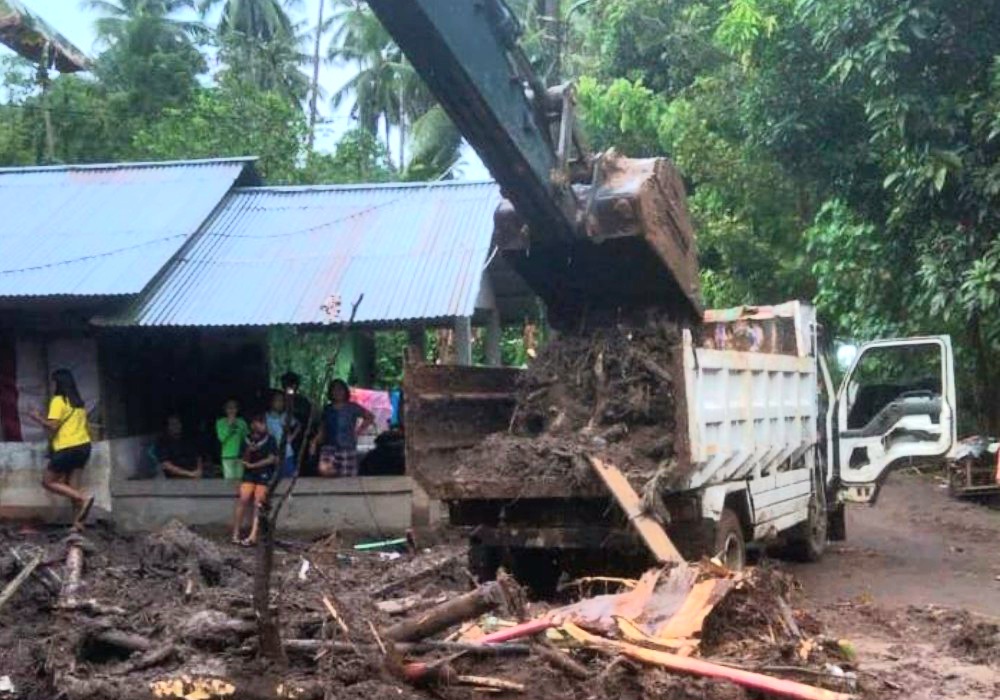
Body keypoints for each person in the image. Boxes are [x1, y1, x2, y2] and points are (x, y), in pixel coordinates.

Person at [27, 368, 94, 529]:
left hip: (67, 447)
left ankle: (84, 498)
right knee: (72, 487)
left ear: (58, 383)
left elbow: (53, 426)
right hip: (84, 446)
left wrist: (36, 417)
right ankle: (78, 525)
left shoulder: (58, 401)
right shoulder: (79, 403)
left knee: (48, 481)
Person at [310, 379, 374, 478]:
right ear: (331, 392)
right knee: (325, 472)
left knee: (347, 479)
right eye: (334, 390)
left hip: (347, 447)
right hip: (329, 447)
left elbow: (370, 416)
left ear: (345, 391)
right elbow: (322, 429)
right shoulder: (327, 409)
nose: (337, 392)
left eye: (340, 389)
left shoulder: (352, 407)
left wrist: (358, 431)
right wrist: (314, 442)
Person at [231, 414, 278, 546]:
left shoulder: (271, 439)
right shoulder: (246, 439)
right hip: (249, 474)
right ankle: (235, 533)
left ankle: (253, 536)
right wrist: (249, 451)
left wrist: (255, 465)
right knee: (243, 498)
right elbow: (242, 459)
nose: (259, 426)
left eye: (261, 423)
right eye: (256, 423)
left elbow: (272, 459)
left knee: (259, 501)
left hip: (264, 472)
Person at [265, 390, 300, 478]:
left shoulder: (285, 416)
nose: (280, 403)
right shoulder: (266, 417)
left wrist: (291, 437)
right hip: (272, 453)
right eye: (277, 400)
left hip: (287, 452)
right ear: (271, 402)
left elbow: (298, 425)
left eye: (282, 401)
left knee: (288, 478)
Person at [157, 415, 203, 479]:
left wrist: (199, 470)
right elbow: (166, 465)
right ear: (168, 427)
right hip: (177, 478)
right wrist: (190, 474)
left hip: (194, 474)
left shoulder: (187, 439)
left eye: (178, 423)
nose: (176, 426)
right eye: (173, 424)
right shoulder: (163, 442)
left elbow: (198, 456)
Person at [216, 399, 249, 481]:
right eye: (229, 408)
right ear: (225, 410)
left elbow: (246, 438)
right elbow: (221, 438)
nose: (231, 410)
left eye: (234, 408)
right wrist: (230, 425)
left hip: (240, 456)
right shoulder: (220, 422)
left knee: (240, 480)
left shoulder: (242, 422)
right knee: (229, 481)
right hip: (227, 456)